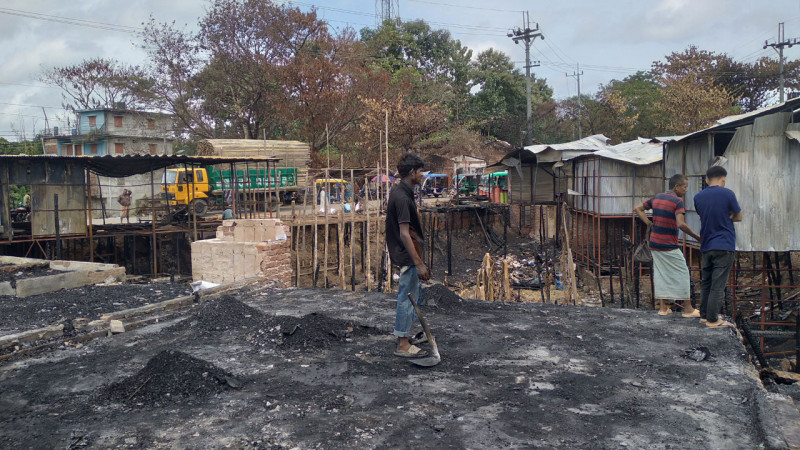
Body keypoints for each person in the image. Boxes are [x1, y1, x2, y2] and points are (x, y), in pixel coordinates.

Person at [635, 174, 702, 317]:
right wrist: (697, 237)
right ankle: (688, 309)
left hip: (655, 242)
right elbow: (681, 224)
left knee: (660, 274)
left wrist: (648, 223)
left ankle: (663, 309)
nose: (686, 190)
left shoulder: (657, 197)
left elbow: (638, 208)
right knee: (683, 273)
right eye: (684, 187)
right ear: (676, 187)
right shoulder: (678, 201)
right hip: (668, 244)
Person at [386, 152, 430, 358]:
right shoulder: (402, 198)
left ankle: (404, 335)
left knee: (412, 296)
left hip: (406, 254)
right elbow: (404, 234)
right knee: (407, 297)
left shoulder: (401, 192)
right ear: (412, 172)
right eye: (420, 171)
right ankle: (403, 344)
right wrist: (419, 263)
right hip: (407, 255)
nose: (422, 175)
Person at [694, 166, 742, 328]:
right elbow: (739, 216)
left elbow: (704, 216)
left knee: (706, 282)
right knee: (718, 285)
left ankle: (704, 315)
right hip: (724, 244)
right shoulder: (728, 194)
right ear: (723, 179)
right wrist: (729, 216)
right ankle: (713, 319)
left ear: (707, 180)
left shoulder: (698, 197)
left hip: (706, 244)